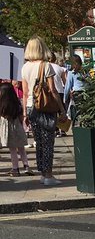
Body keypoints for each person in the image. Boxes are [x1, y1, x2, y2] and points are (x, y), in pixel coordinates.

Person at [21, 36, 64, 185]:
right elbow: (53, 90)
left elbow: (25, 93)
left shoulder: (24, 67)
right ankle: (48, 175)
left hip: (31, 107)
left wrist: (25, 113)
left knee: (38, 141)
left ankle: (42, 173)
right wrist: (62, 109)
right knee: (48, 141)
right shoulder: (46, 65)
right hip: (45, 107)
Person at [0, 81, 31, 175]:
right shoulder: (17, 103)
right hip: (18, 128)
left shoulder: (2, 106)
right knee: (21, 148)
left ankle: (15, 168)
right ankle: (26, 166)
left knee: (13, 150)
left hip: (8, 130)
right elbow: (21, 117)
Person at [63, 54, 85, 124]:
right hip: (84, 93)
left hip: (76, 93)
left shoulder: (71, 73)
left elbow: (67, 86)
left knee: (76, 112)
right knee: (83, 111)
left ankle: (77, 125)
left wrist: (64, 99)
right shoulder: (83, 72)